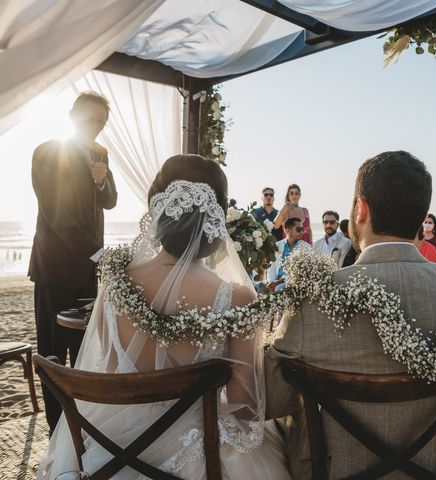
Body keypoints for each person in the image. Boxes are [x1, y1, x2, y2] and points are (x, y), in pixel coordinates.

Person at [38, 155, 291, 479]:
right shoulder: (237, 298)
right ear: (215, 216)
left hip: (112, 453)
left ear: (157, 206)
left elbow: (112, 371)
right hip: (202, 460)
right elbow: (245, 410)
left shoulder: (115, 283)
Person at [264, 151, 436, 478]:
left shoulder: (312, 296)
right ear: (420, 217)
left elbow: (273, 400)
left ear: (361, 210)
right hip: (429, 469)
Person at [29, 91, 117, 433]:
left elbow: (109, 201)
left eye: (100, 121)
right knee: (53, 357)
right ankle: (56, 433)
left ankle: (79, 430)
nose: (94, 126)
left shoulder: (101, 154)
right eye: (88, 118)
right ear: (71, 115)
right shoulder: (47, 152)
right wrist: (99, 254)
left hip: (87, 273)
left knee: (83, 356)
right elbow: (58, 215)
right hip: (54, 271)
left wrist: (102, 180)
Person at [267, 217, 310, 290]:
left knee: (279, 288)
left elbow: (302, 273)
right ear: (287, 231)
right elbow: (271, 268)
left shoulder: (306, 247)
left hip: (294, 283)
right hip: (276, 283)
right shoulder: (276, 246)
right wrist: (272, 283)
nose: (301, 232)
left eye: (302, 229)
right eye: (298, 230)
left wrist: (279, 282)